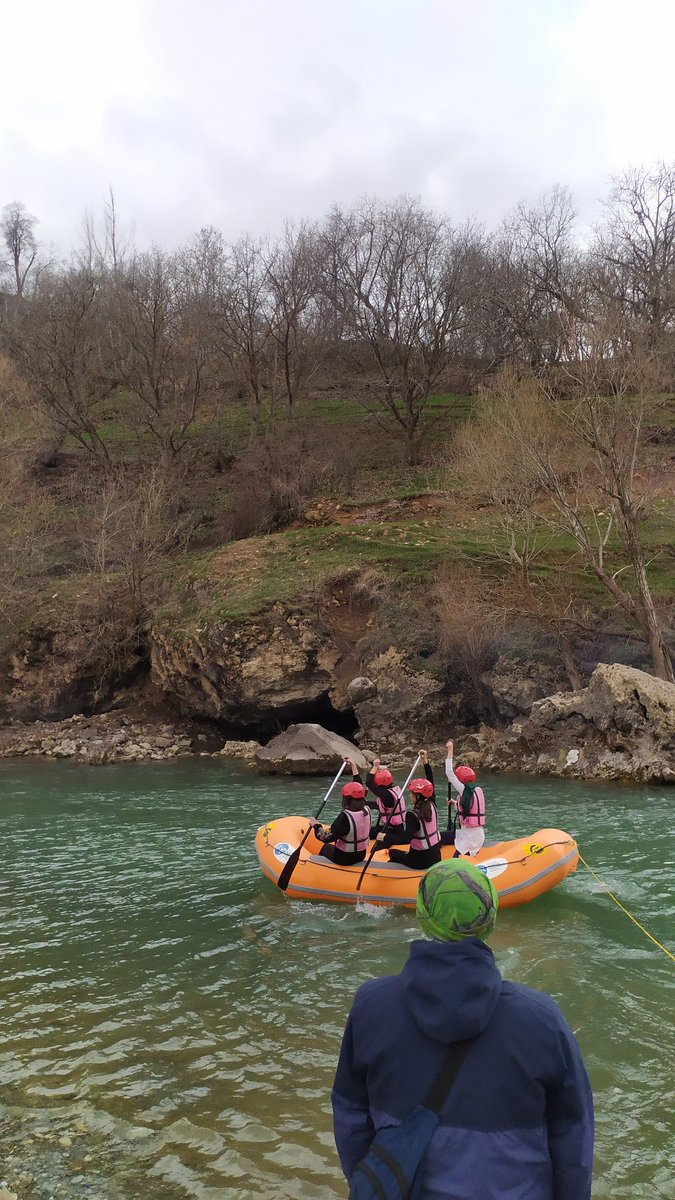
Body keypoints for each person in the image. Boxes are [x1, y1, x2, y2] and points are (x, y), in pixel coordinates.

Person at [332, 858, 594, 1200]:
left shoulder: (370, 1006)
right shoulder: (543, 1018)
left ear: (423, 917)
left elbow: (351, 1117)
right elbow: (573, 1137)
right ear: (490, 920)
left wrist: (373, 1183)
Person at [387, 750, 442, 870]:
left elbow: (405, 839)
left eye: (412, 794)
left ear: (417, 796)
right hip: (436, 856)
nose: (410, 796)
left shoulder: (412, 815)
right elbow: (430, 781)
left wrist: (385, 838)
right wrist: (425, 762)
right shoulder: (432, 803)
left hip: (420, 861)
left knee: (392, 853)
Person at [344, 755, 407, 845]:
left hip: (393, 833)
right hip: (389, 828)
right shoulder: (392, 792)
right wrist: (353, 765)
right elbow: (359, 787)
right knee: (363, 806)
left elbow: (369, 782)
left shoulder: (387, 797)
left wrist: (375, 766)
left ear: (379, 785)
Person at [312, 781, 372, 865]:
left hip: (344, 857)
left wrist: (316, 825)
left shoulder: (345, 817)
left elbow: (326, 837)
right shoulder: (367, 809)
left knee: (325, 848)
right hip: (361, 854)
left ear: (347, 799)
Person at [444, 737, 486, 856]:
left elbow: (449, 773)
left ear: (461, 780)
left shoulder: (464, 789)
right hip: (475, 833)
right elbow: (470, 807)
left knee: (457, 861)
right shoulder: (477, 789)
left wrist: (450, 749)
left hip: (470, 837)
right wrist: (455, 803)